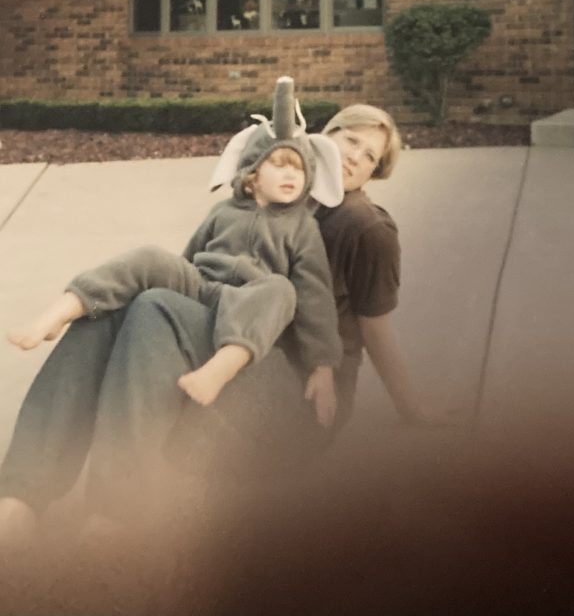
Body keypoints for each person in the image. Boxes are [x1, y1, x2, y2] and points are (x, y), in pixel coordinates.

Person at [0, 97, 429, 537]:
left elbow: (376, 330)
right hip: (230, 342)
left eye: (370, 155)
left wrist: (415, 410)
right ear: (324, 140)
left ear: (375, 171)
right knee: (110, 310)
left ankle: (118, 509)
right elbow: (192, 269)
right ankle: (21, 495)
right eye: (350, 139)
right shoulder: (279, 191)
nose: (356, 155)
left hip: (297, 392)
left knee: (155, 308)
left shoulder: (365, 228)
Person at [7, 77, 343, 413]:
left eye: (300, 170)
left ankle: (220, 369)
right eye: (280, 164)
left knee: (282, 290)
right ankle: (61, 312)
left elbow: (317, 299)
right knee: (151, 257)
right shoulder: (223, 211)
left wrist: (323, 367)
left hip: (247, 302)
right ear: (252, 173)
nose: (291, 175)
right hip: (201, 288)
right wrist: (167, 281)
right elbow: (188, 259)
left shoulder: (303, 228)